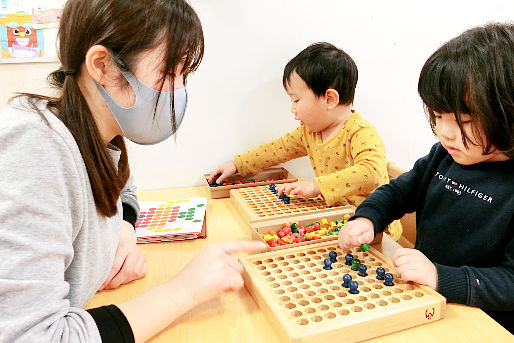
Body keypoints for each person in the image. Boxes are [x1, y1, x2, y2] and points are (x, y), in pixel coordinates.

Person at [0, 0, 265, 342]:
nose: (179, 92)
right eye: (170, 74)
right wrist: (184, 291)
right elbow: (32, 336)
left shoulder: (99, 136)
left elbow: (124, 189)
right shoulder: (34, 145)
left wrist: (122, 230)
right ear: (103, 65)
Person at [338, 22, 514, 333]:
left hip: (480, 323)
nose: (444, 132)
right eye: (437, 116)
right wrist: (368, 218)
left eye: (464, 120)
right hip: (425, 300)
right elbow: (396, 192)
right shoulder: (444, 155)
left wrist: (440, 276)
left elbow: (510, 282)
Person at [208, 42, 402, 240]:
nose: (292, 109)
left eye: (296, 100)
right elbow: (277, 149)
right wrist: (237, 164)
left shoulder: (360, 131)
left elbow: (372, 173)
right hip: (338, 220)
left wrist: (316, 186)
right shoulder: (309, 132)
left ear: (329, 99)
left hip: (374, 228)